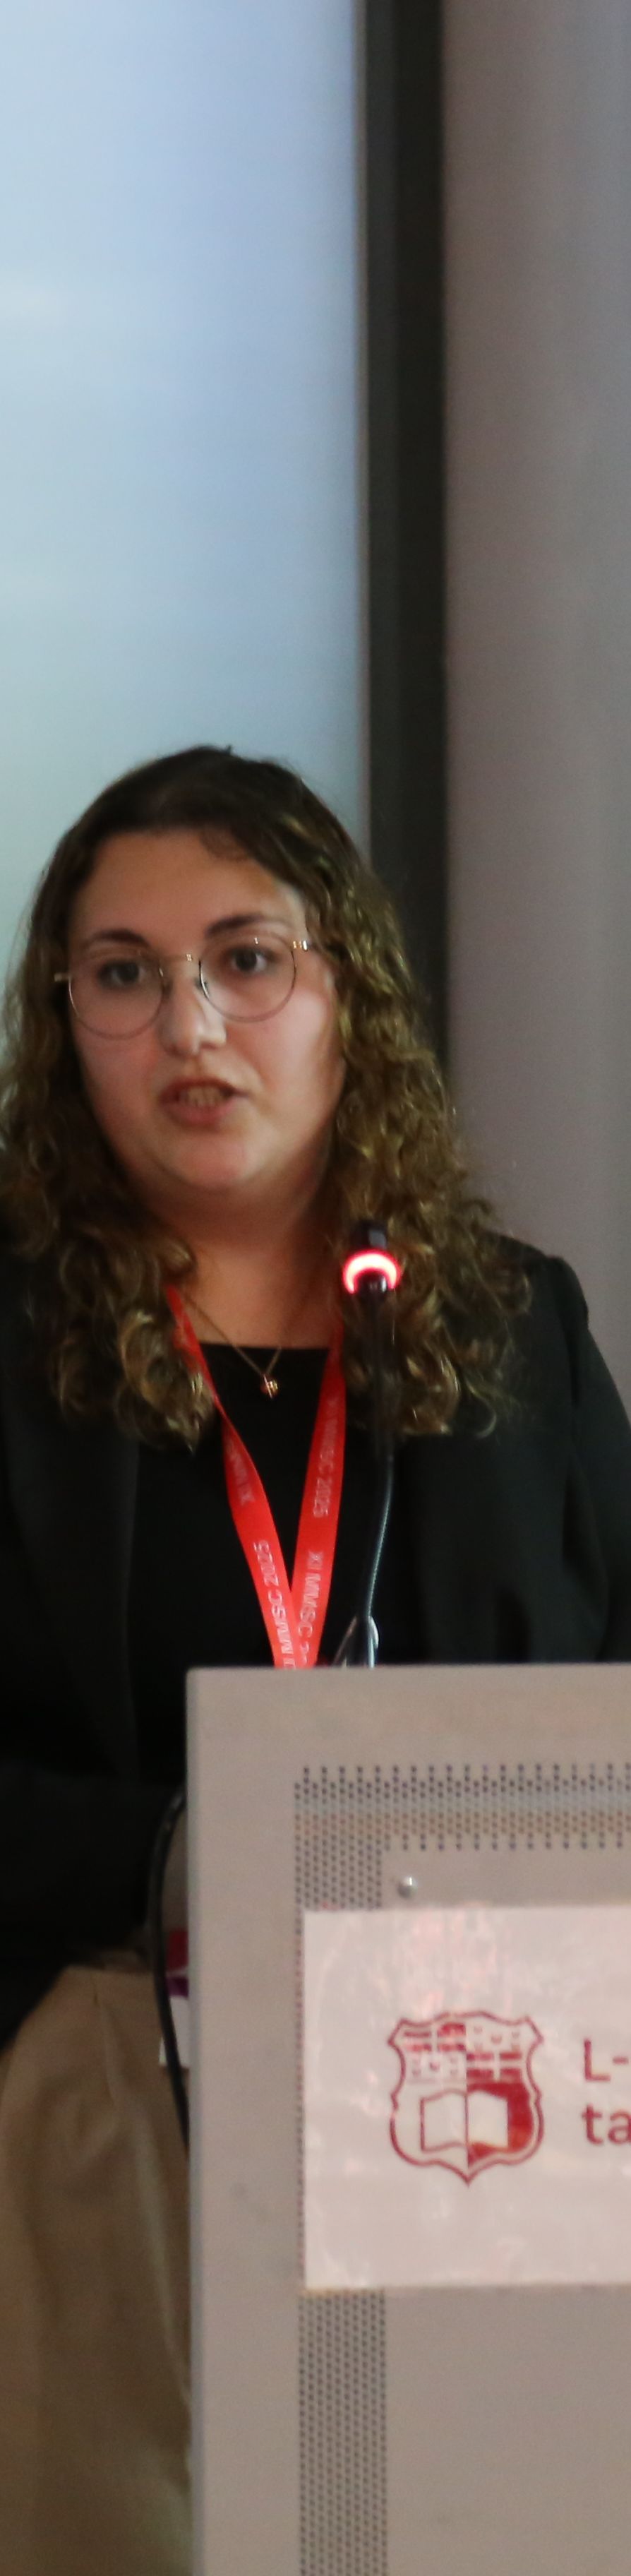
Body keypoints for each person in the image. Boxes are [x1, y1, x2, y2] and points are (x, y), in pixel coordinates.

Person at [1, 742, 630, 2573]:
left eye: (247, 958)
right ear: (66, 1023)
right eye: (125, 973)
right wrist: (181, 1851)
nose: (190, 1025)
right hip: (103, 2066)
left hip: (464, 2054)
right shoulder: (12, 1345)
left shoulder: (507, 1325)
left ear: (348, 987)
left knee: (451, 2540)